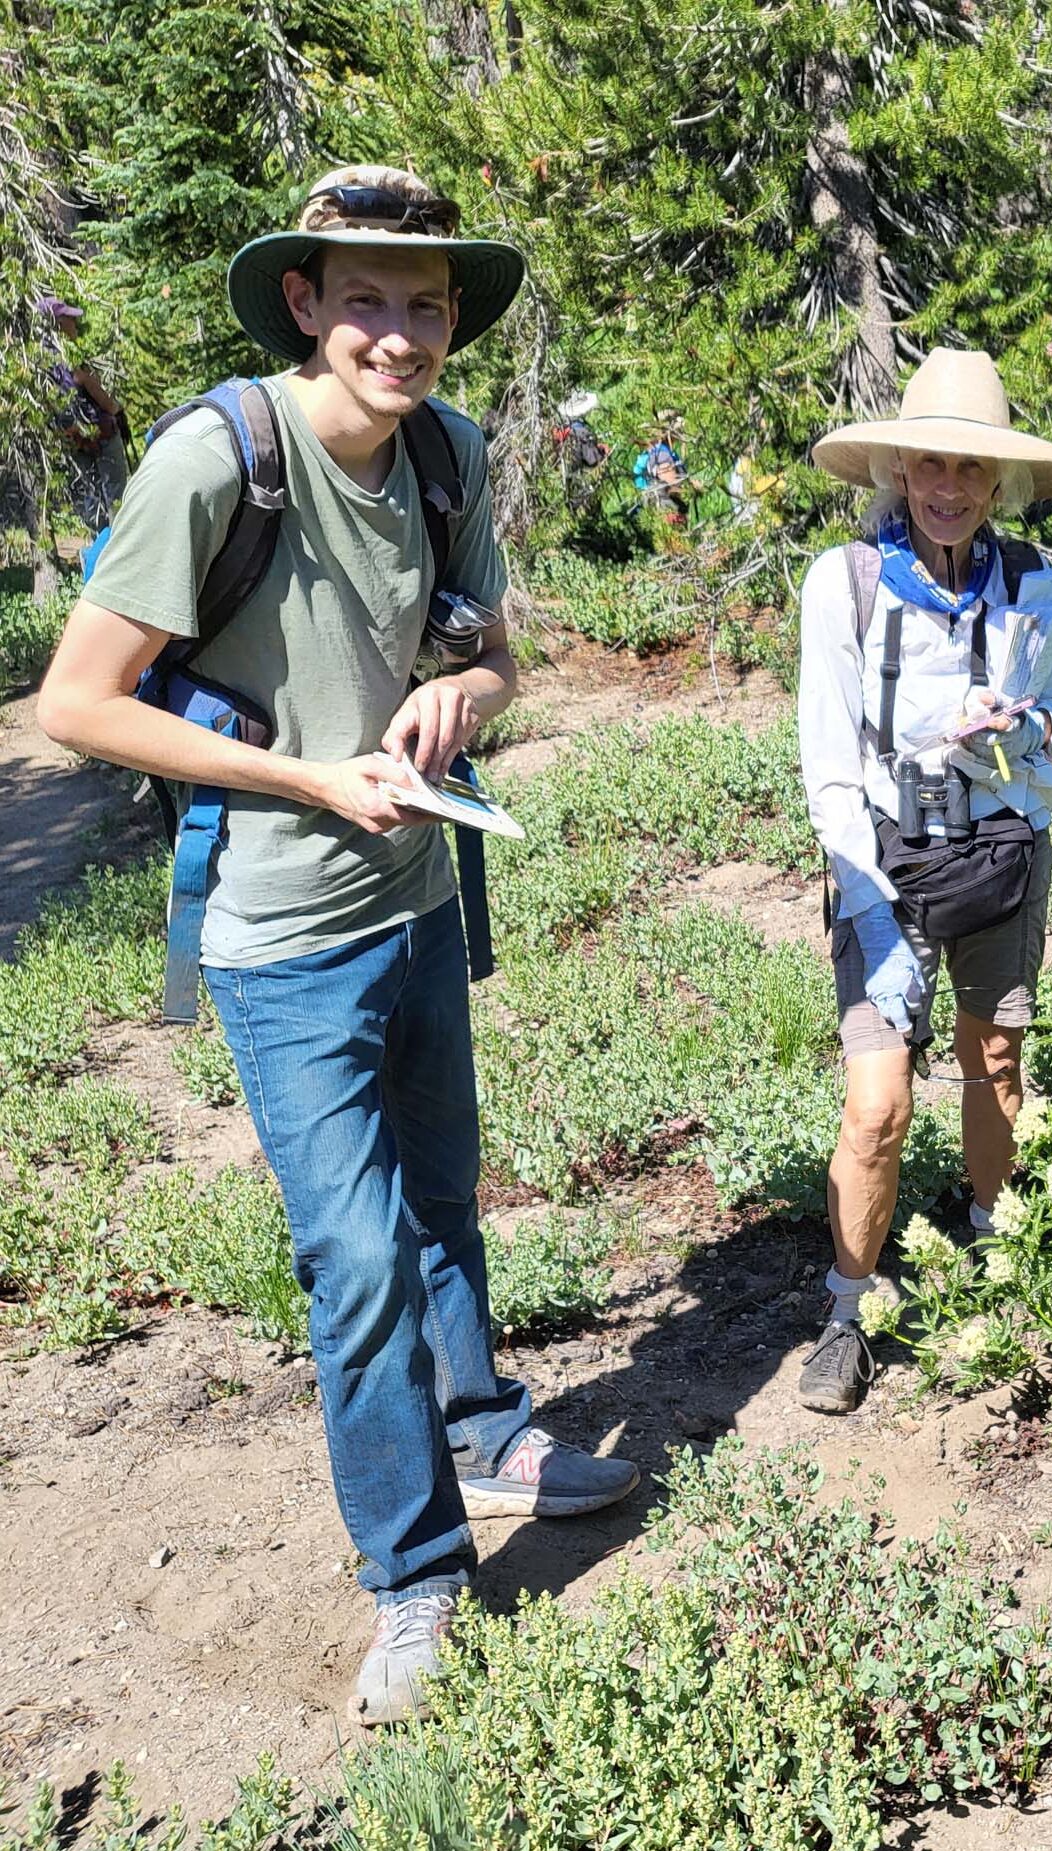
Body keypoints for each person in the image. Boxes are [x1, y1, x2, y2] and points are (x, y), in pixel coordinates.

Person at [37, 164, 638, 1725]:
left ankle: (492, 1431)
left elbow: (496, 658)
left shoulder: (448, 455)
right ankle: (418, 1576)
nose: (396, 333)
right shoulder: (217, 461)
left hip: (421, 902)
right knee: (356, 1252)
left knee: (443, 1203)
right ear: (304, 302)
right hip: (276, 932)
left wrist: (464, 701)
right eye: (363, 297)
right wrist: (310, 775)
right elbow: (76, 703)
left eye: (423, 303)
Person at [796, 349, 1052, 1413]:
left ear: (999, 481)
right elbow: (829, 765)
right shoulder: (847, 584)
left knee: (996, 1057)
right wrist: (869, 915)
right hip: (885, 863)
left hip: (1004, 847)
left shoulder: (1030, 583)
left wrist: (1023, 724)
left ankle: (990, 1244)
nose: (949, 489)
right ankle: (847, 1306)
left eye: (970, 470)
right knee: (877, 1104)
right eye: (930, 465)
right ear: (898, 470)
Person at [39, 296, 128, 531]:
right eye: (70, 319)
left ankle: (99, 552)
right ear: (57, 322)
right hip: (103, 436)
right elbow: (105, 402)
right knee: (117, 502)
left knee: (90, 504)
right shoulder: (70, 360)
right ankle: (119, 553)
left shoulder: (37, 363)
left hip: (73, 442)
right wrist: (117, 410)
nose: (75, 325)